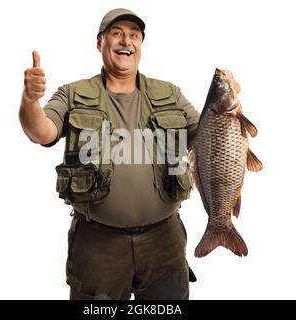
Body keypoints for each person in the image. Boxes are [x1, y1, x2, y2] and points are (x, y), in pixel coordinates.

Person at [19, 8, 200, 300]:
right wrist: (30, 100)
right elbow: (41, 131)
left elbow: (204, 137)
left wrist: (227, 104)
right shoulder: (72, 93)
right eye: (116, 33)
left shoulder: (170, 93)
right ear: (100, 43)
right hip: (97, 244)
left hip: (164, 241)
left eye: (134, 35)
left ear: (141, 44)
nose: (125, 41)